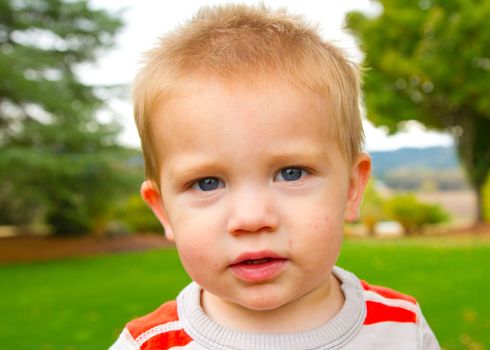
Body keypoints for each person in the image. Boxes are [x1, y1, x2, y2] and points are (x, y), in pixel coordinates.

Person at [110, 4, 440, 349]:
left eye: (291, 173)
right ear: (163, 210)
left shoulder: (402, 329)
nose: (252, 219)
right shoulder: (148, 344)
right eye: (207, 182)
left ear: (351, 189)